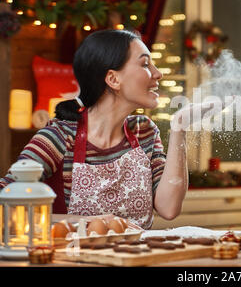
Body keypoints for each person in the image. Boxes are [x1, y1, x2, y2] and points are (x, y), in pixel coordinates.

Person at [0, 29, 218, 230]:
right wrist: (92, 222)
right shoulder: (60, 136)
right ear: (113, 79)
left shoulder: (144, 132)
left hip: (139, 258)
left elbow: (169, 208)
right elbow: (5, 201)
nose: (157, 73)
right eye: (145, 64)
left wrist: (180, 128)